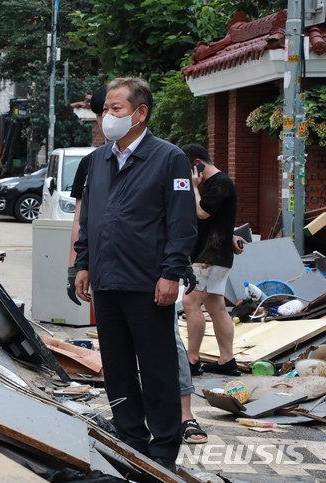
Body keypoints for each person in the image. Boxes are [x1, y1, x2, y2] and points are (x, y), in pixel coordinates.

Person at [65, 87, 208, 445]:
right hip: (106, 280)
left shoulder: (168, 158)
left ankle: (163, 444)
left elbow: (181, 222)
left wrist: (171, 273)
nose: (106, 117)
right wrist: (82, 264)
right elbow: (89, 219)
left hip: (148, 283)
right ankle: (130, 435)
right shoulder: (98, 160)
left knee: (157, 368)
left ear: (140, 113)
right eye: (105, 110)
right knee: (117, 367)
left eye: (116, 108)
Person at [180, 143, 240, 377]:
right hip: (215, 254)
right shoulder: (217, 184)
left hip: (209, 255)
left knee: (190, 302)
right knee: (216, 306)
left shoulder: (219, 183)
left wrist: (194, 188)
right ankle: (227, 360)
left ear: (197, 165)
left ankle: (192, 360)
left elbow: (202, 211)